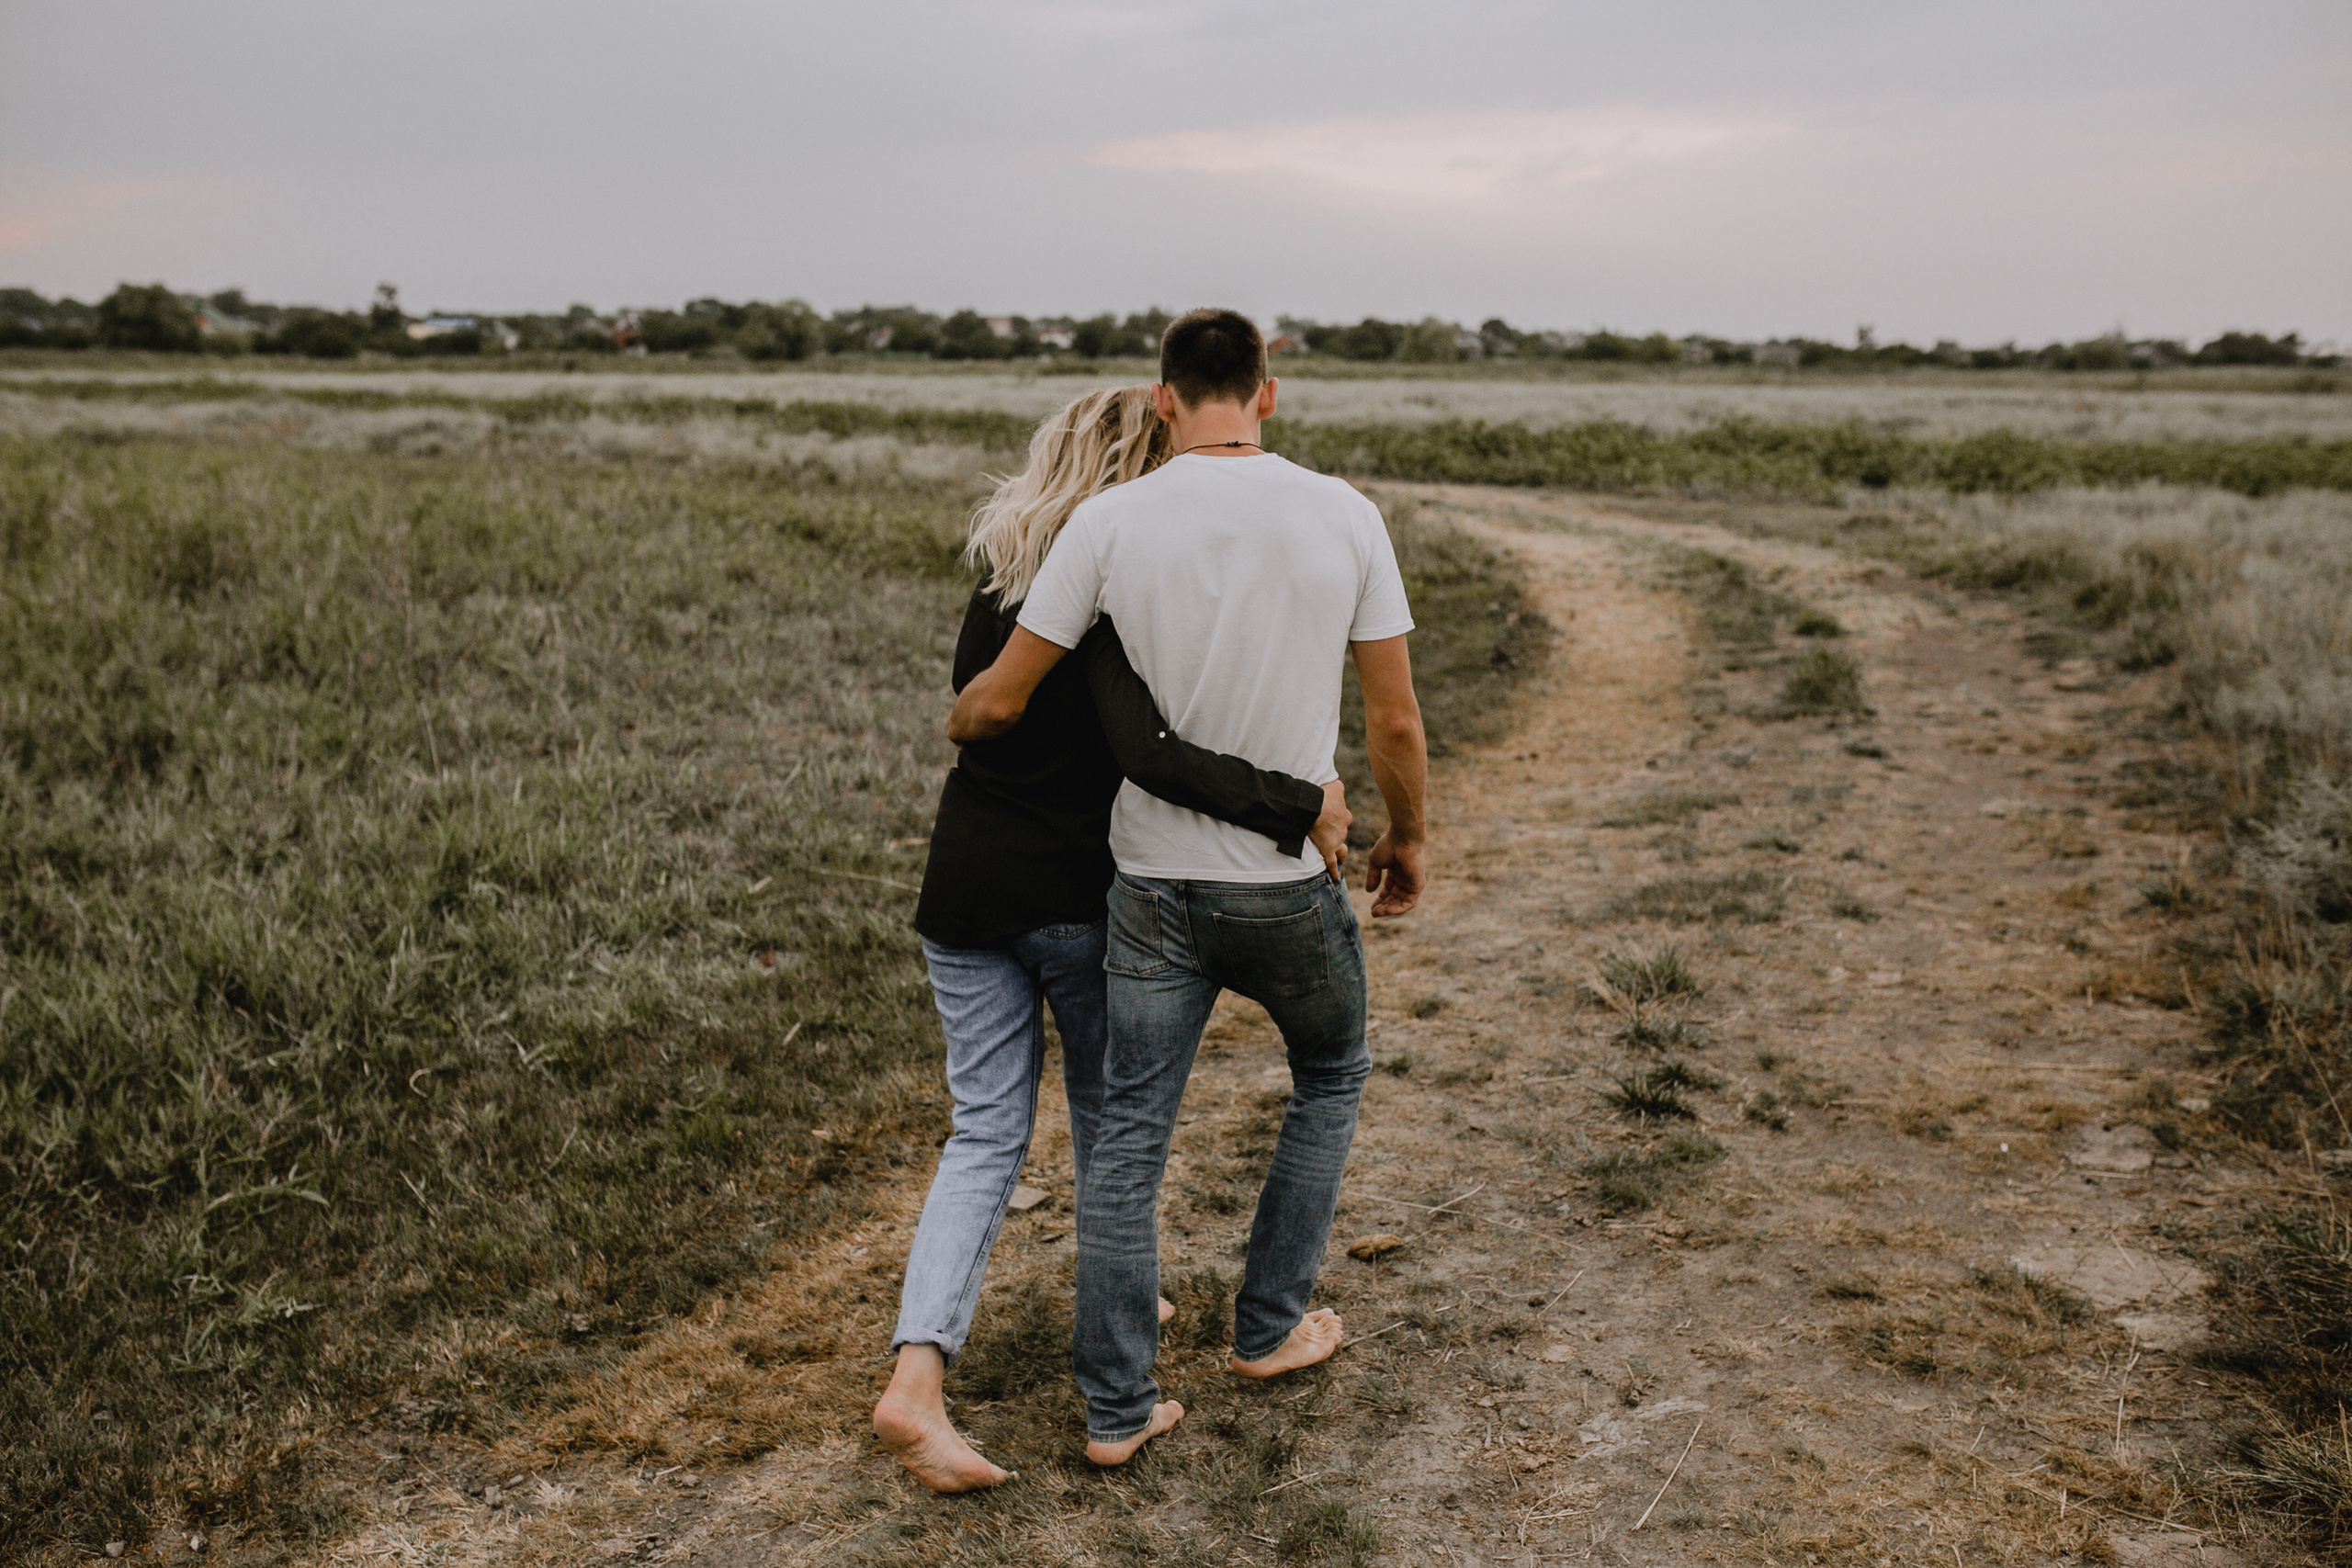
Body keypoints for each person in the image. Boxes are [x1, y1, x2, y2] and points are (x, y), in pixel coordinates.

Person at [949, 310, 1431, 1466]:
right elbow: (1394, 721)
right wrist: (1405, 837)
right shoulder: (1346, 513)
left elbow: (1005, 695)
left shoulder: (1108, 522)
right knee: (1330, 1072)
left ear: (1163, 400)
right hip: (1282, 883)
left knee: (1127, 1144)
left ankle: (1116, 1410)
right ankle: (1268, 1327)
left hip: (1151, 890)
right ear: (1267, 393)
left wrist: (967, 716)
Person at [873, 384, 1351, 1494]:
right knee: (1111, 1131)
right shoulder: (1100, 588)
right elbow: (1152, 752)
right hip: (1075, 906)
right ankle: (985, 1372)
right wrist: (1301, 802)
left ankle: (922, 1375)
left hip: (961, 893)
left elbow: (976, 704)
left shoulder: (1004, 574)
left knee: (984, 1135)